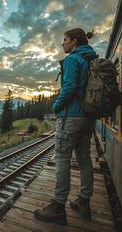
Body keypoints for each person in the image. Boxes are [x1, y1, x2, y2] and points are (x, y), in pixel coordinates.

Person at [34, 28, 97, 225]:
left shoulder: (72, 60)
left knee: (62, 158)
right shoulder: (92, 60)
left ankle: (58, 207)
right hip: (88, 118)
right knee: (84, 158)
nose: (63, 44)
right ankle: (83, 201)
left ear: (75, 41)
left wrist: (56, 106)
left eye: (65, 40)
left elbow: (69, 87)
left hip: (71, 117)